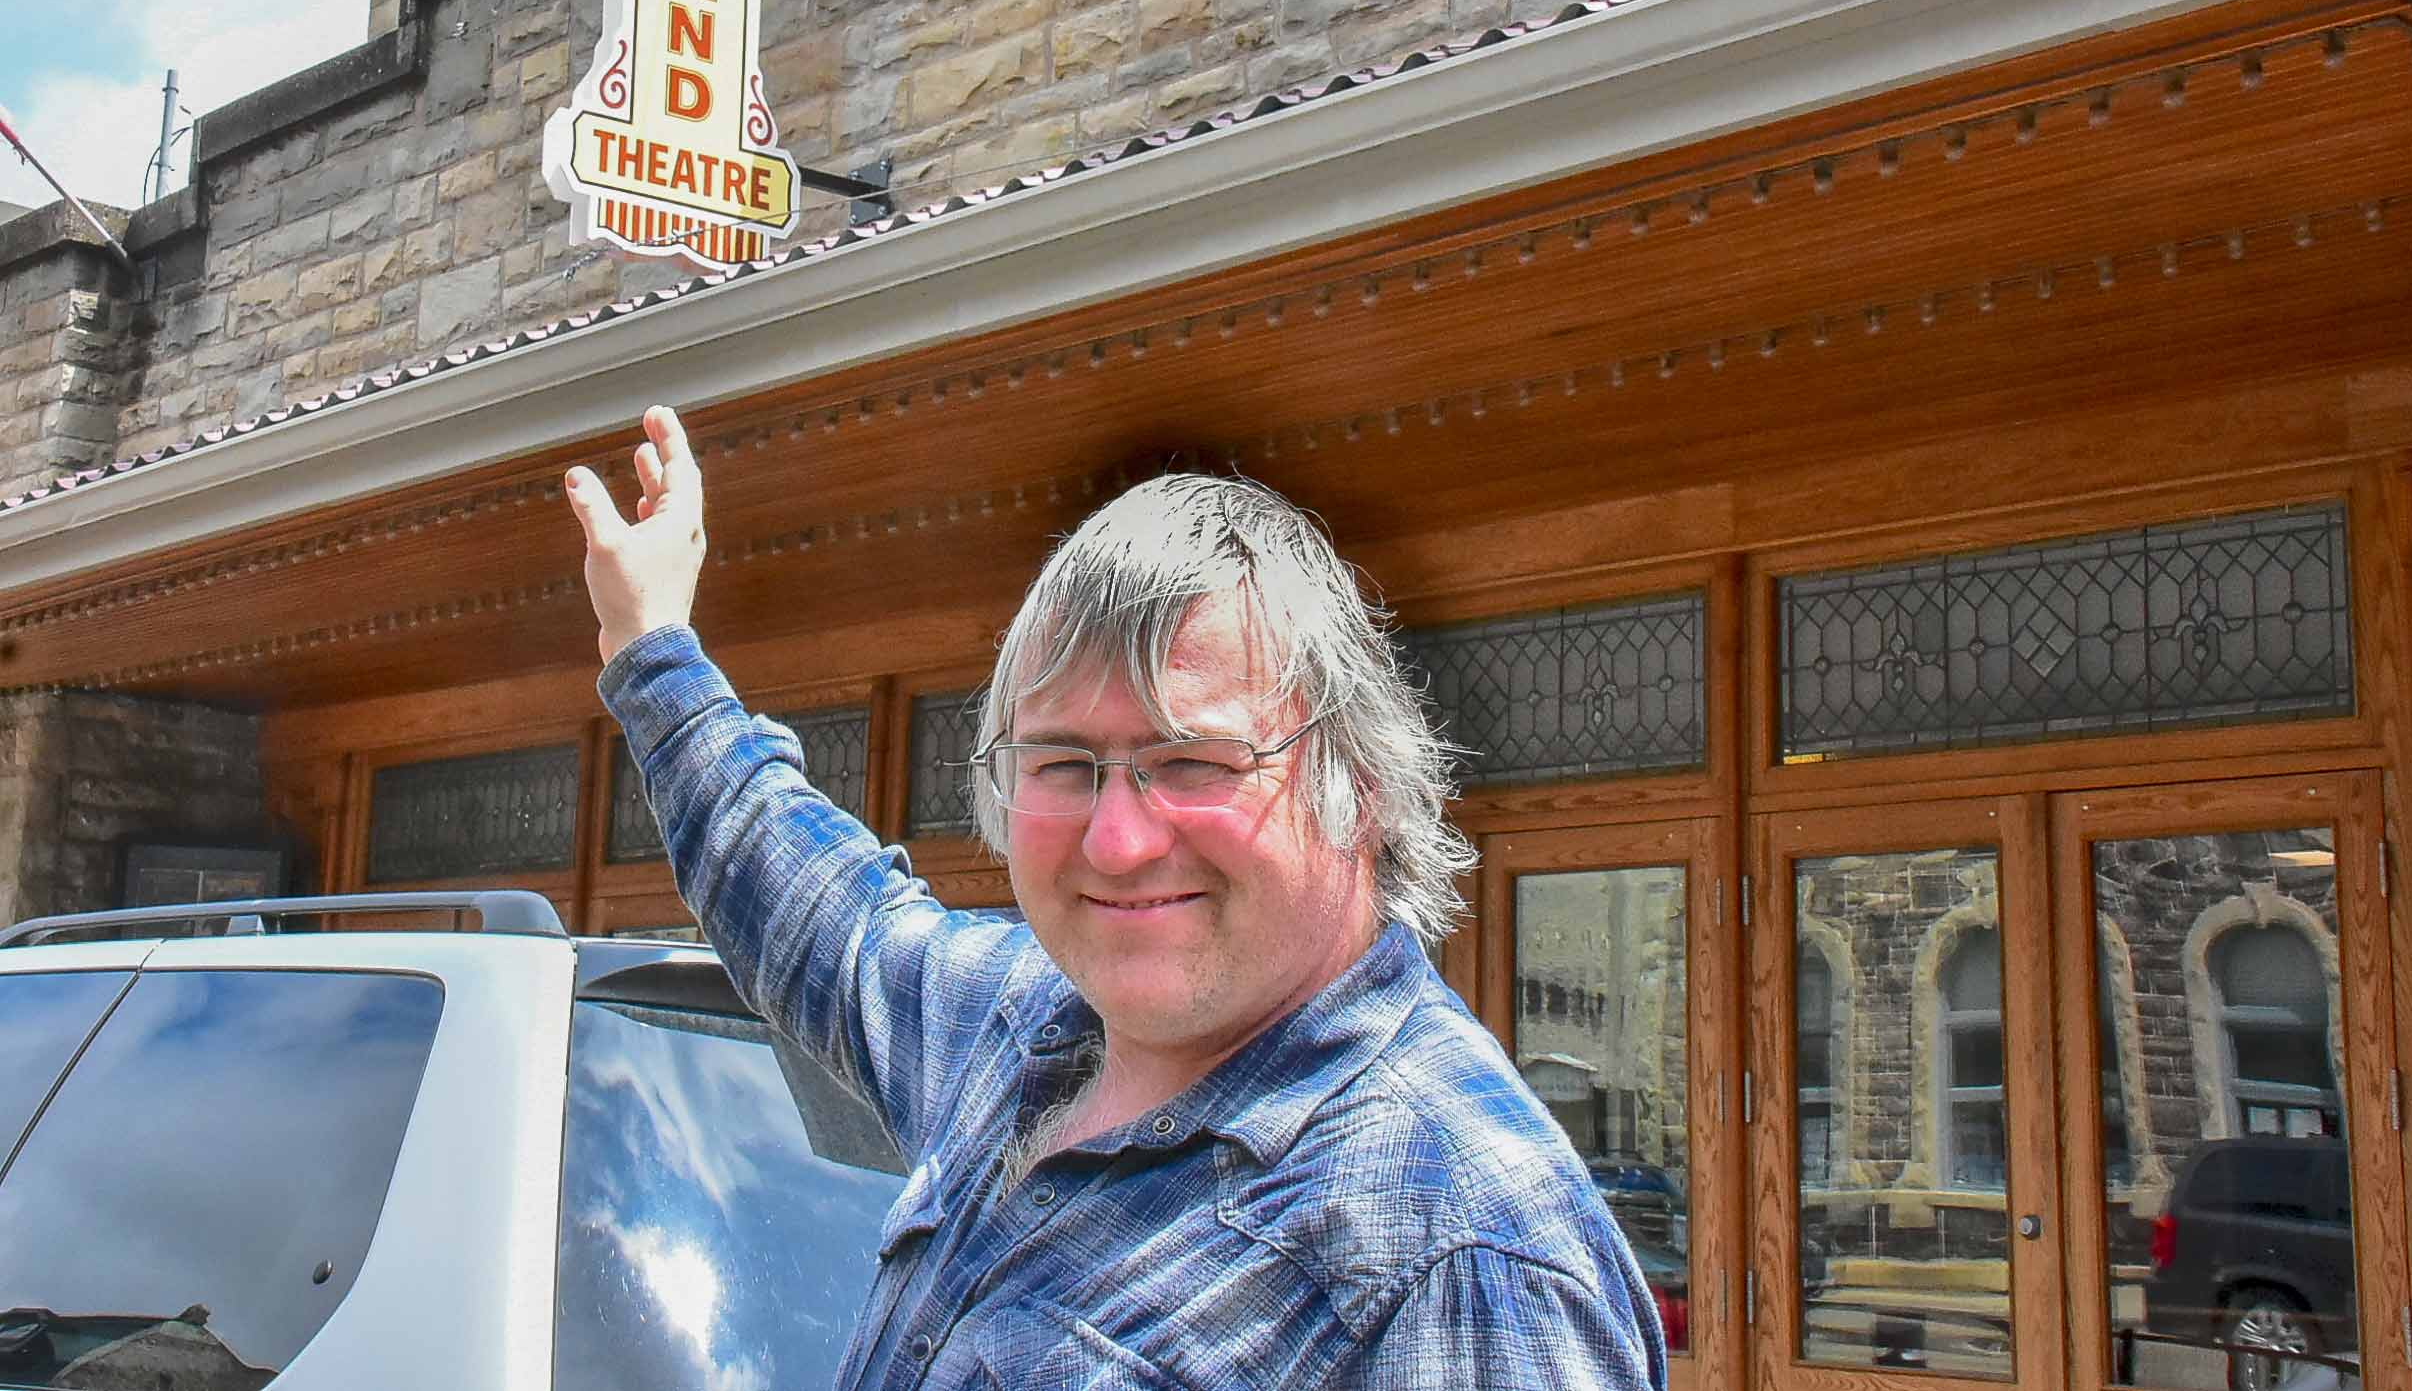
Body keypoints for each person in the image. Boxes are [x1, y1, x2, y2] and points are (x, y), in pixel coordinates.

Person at [565, 406, 1666, 1390]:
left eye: (1192, 761)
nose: (1118, 837)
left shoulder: (1458, 1254)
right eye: (1063, 764)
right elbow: (818, 910)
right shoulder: (1023, 1027)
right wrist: (650, 641)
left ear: (1359, 788)